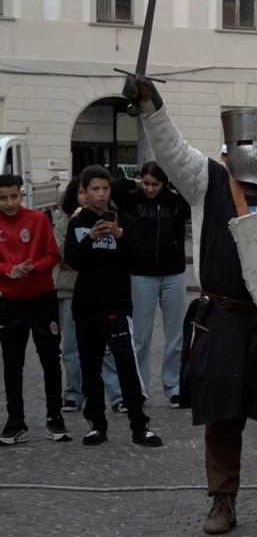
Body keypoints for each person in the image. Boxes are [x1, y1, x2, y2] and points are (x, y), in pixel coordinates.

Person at [129, 78, 257, 534]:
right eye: (243, 139)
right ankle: (222, 499)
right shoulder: (207, 181)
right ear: (229, 143)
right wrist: (150, 107)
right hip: (224, 317)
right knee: (221, 414)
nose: (252, 147)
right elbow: (171, 149)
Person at [63, 166, 163, 448]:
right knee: (90, 367)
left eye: (105, 189)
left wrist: (118, 235)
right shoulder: (78, 223)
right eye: (95, 189)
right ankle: (97, 425)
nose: (101, 194)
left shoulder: (125, 221)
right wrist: (91, 239)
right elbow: (73, 260)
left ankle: (139, 426)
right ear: (84, 191)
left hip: (116, 304)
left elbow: (135, 257)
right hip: (85, 307)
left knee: (127, 365)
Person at [111, 162, 191, 408]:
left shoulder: (177, 203)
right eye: (146, 183)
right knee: (140, 337)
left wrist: (171, 179)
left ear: (165, 183)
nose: (150, 189)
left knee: (176, 335)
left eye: (155, 184)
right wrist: (135, 182)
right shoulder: (133, 201)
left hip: (173, 275)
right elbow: (114, 186)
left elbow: (191, 192)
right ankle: (139, 387)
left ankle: (174, 386)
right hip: (141, 275)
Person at [0, 175, 68, 445]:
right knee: (12, 361)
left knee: (50, 358)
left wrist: (32, 268)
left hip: (42, 300)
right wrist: (8, 271)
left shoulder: (38, 221)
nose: (9, 203)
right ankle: (15, 421)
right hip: (9, 302)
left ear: (22, 195)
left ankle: (55, 418)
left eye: (14, 196)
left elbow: (53, 255)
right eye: (3, 198)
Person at [55, 180, 123, 414]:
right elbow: (64, 254)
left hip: (100, 292)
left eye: (92, 191)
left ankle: (116, 395)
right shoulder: (66, 223)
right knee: (72, 347)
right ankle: (73, 394)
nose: (87, 197)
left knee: (106, 349)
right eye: (82, 192)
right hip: (69, 291)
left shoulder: (112, 220)